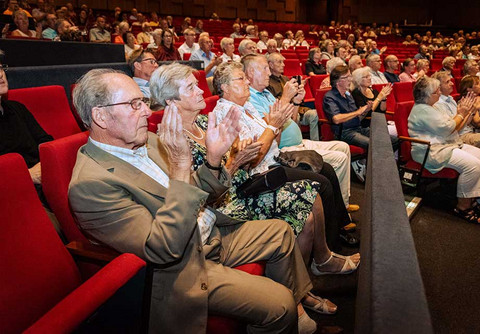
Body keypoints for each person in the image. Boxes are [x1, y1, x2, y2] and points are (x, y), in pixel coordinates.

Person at [69, 67, 316, 334]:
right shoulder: (91, 184)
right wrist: (179, 167)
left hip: (208, 234)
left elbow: (193, 191)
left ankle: (299, 313)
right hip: (183, 266)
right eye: (134, 104)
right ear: (100, 116)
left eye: (143, 101)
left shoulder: (148, 141)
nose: (147, 111)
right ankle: (289, 315)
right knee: (280, 305)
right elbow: (161, 249)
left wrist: (212, 160)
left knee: (280, 232)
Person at [150, 63, 357, 313]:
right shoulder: (171, 140)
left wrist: (240, 154)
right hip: (224, 204)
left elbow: (241, 157)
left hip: (239, 188)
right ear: (172, 101)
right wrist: (237, 159)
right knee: (310, 196)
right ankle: (300, 295)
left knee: (311, 193)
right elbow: (196, 193)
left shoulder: (206, 121)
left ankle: (303, 288)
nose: (201, 90)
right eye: (191, 87)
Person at [239, 55, 359, 246]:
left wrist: (295, 103)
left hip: (296, 142)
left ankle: (340, 210)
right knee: (332, 162)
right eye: (264, 68)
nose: (269, 72)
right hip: (284, 150)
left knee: (341, 149)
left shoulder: (267, 94)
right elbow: (269, 133)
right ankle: (337, 220)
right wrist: (286, 98)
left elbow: (291, 121)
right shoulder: (249, 99)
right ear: (250, 72)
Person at [408, 76, 480, 223]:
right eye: (436, 91)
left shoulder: (434, 106)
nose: (439, 93)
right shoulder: (422, 110)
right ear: (427, 95)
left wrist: (465, 112)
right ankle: (463, 207)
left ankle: (477, 200)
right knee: (473, 165)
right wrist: (461, 113)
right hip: (431, 150)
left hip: (447, 144)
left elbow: (454, 126)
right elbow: (448, 128)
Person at [433, 71, 480, 203]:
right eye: (447, 82)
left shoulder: (451, 100)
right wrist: (471, 111)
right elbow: (452, 128)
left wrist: (470, 112)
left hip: (463, 135)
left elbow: (469, 122)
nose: (452, 83)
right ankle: (467, 204)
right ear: (438, 87)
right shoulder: (438, 104)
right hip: (458, 138)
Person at [0, 51, 53, 201]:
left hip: (45, 178)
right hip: (14, 193)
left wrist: (48, 163)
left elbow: (45, 140)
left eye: (0, 68)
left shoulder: (17, 108)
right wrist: (28, 175)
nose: (0, 75)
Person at [267, 53, 320, 141]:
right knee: (296, 116)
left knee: (314, 114)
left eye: (283, 62)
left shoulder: (286, 79)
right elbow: (274, 103)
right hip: (285, 112)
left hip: (298, 108)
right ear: (271, 65)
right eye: (279, 62)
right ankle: (298, 142)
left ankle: (315, 141)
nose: (283, 65)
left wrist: (299, 91)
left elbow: (298, 99)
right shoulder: (267, 82)